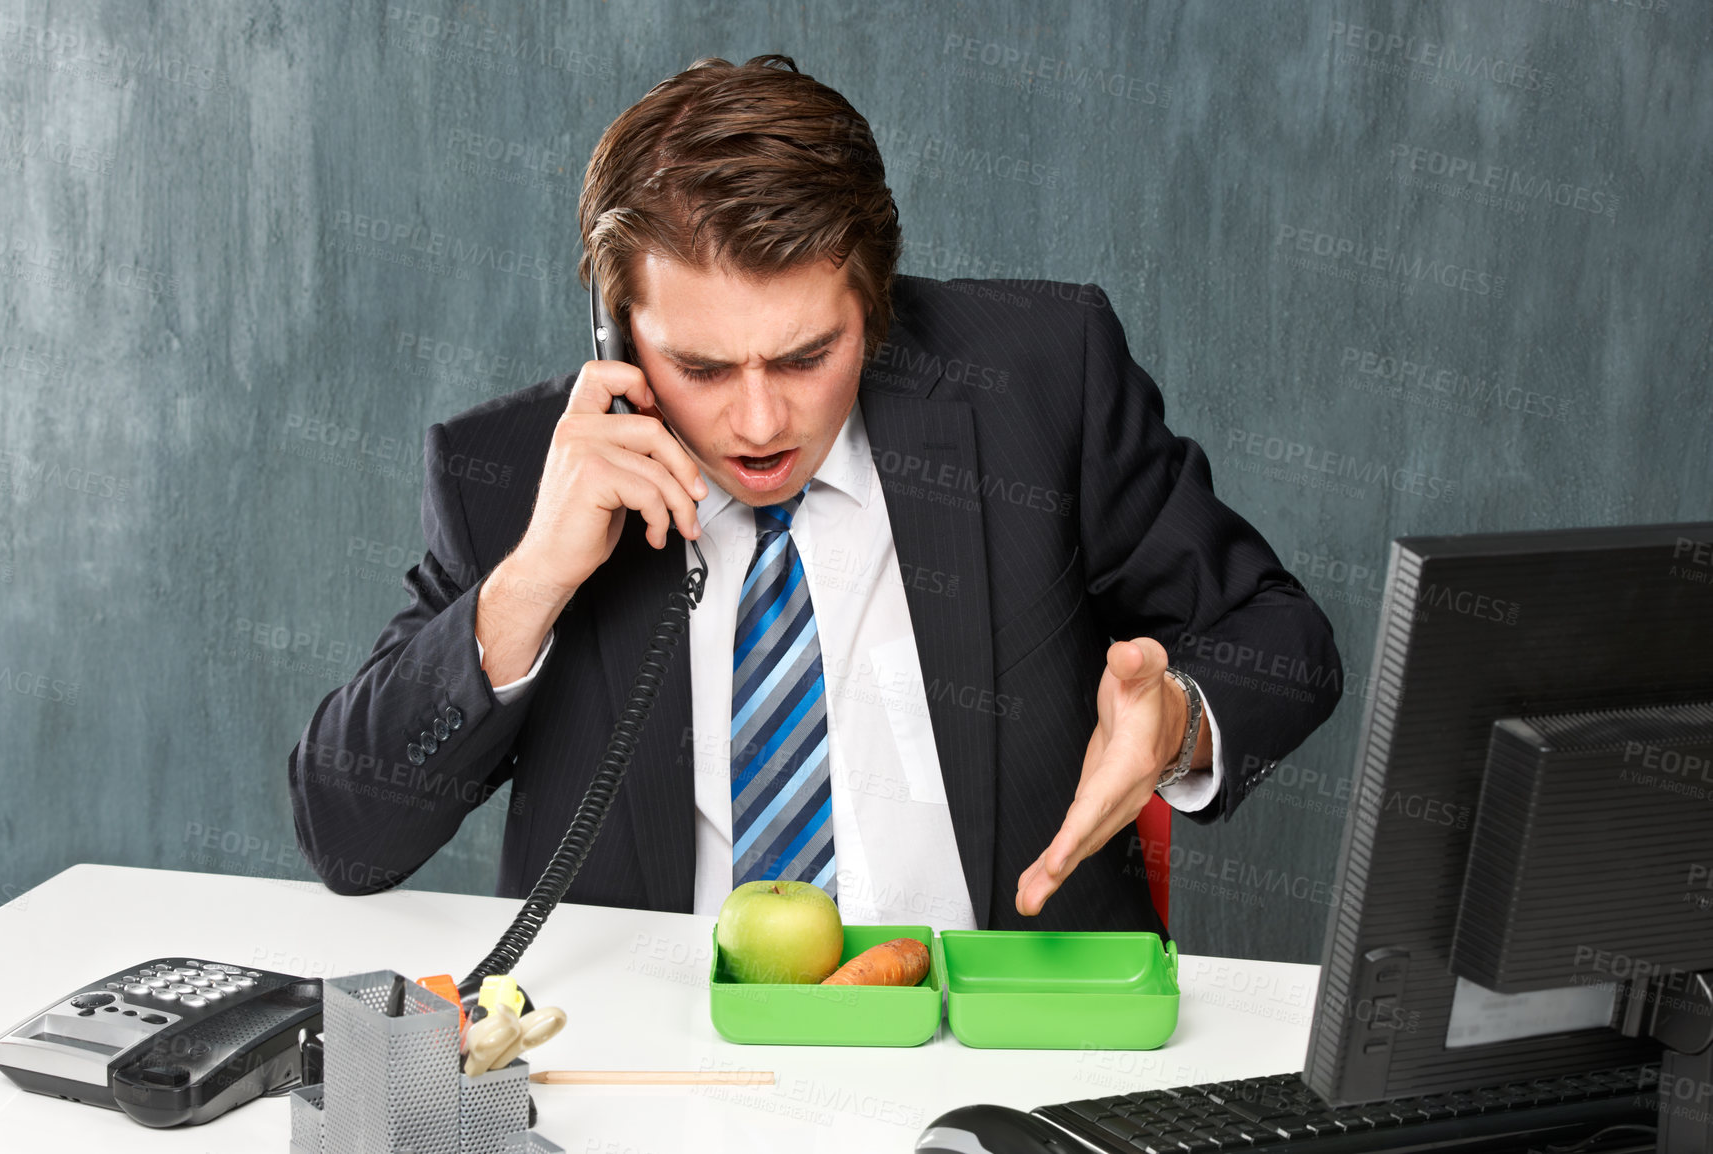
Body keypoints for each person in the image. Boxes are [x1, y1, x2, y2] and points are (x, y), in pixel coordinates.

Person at [288, 55, 1342, 934]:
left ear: (873, 308)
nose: (756, 423)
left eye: (805, 357)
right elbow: (348, 831)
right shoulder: (515, 471)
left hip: (994, 1053)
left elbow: (1278, 634)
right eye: (701, 368)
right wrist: (530, 585)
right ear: (614, 335)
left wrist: (1184, 722)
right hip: (666, 1069)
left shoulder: (1039, 380)